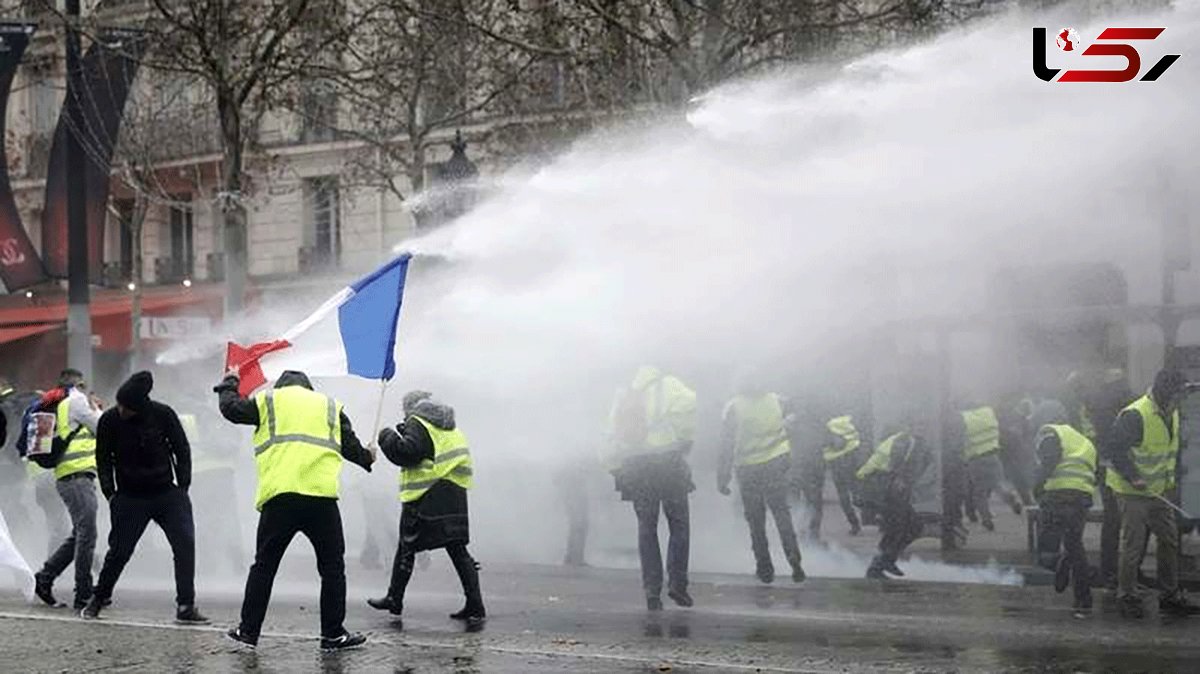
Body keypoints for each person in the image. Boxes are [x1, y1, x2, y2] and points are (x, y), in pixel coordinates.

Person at [215, 369, 373, 651]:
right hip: (321, 499)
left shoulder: (269, 401)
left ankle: (248, 632)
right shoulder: (330, 406)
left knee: (264, 567)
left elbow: (230, 409)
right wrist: (367, 457)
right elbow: (352, 449)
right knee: (333, 569)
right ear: (309, 388)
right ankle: (333, 635)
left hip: (280, 498)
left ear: (283, 386)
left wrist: (230, 381)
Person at [81, 371, 208, 623]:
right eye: (119, 404)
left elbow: (182, 449)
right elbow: (103, 458)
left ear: (139, 406)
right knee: (119, 551)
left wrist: (183, 487)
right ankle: (97, 600)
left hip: (166, 493)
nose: (121, 410)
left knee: (184, 545)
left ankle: (186, 606)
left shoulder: (163, 414)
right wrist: (111, 494)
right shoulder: (109, 420)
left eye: (126, 407)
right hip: (130, 497)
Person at [367, 391, 484, 628]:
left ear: (411, 407)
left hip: (426, 494)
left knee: (406, 546)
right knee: (457, 549)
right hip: (453, 493)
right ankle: (475, 604)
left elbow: (409, 453)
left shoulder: (418, 421)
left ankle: (394, 599)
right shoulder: (447, 425)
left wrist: (386, 436)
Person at [1104, 369, 1200, 618]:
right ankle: (1126, 596)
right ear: (1166, 391)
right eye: (1179, 392)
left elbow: (1169, 451)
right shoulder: (1136, 414)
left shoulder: (1172, 412)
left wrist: (1172, 480)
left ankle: (1169, 595)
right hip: (1131, 492)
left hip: (1158, 491)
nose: (1182, 398)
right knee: (1133, 545)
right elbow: (1114, 449)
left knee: (1169, 539)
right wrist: (1133, 476)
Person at [604, 366, 697, 611]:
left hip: (637, 466)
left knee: (647, 529)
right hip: (668, 462)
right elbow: (689, 404)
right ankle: (677, 584)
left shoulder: (626, 393)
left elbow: (611, 432)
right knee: (679, 525)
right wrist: (684, 439)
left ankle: (651, 591)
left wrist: (614, 467)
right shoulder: (670, 384)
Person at [717, 383, 805, 584]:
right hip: (775, 466)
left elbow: (726, 444)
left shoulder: (734, 406)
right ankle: (794, 559)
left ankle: (764, 567)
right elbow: (797, 412)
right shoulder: (776, 399)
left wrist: (722, 477)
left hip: (748, 470)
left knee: (756, 521)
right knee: (782, 514)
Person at [33, 369, 102, 610]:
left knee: (79, 534)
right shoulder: (77, 401)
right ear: (80, 384)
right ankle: (83, 592)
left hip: (68, 477)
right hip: (77, 477)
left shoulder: (60, 404)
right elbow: (102, 426)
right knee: (87, 534)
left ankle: (45, 578)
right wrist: (97, 407)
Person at [1031, 400, 1096, 618]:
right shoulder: (1083, 441)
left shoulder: (1051, 434)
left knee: (1045, 552)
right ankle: (1084, 600)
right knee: (1075, 546)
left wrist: (1037, 489)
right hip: (1081, 499)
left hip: (1057, 497)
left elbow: (1049, 462)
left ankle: (1059, 562)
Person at [858, 421, 932, 579]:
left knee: (911, 526)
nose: (922, 427)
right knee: (900, 526)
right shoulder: (904, 441)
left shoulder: (917, 443)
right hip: (882, 487)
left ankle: (883, 562)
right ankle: (880, 563)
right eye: (916, 425)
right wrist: (899, 480)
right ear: (908, 426)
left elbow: (920, 465)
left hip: (885, 487)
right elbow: (895, 465)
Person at [181, 411, 246, 574]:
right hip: (221, 475)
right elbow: (234, 443)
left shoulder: (185, 417)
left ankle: (207, 566)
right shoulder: (217, 416)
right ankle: (238, 566)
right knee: (229, 521)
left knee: (203, 522)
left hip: (198, 476)